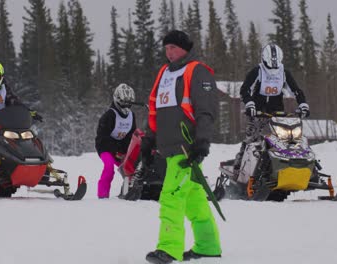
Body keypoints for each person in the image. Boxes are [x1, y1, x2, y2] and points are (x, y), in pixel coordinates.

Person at [145, 30, 221, 263]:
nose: (169, 53)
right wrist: (149, 139)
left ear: (185, 49)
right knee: (193, 200)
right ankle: (208, 245)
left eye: (174, 48)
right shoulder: (164, 73)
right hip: (169, 147)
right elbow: (154, 109)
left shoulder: (197, 71)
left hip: (186, 148)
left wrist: (202, 142)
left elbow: (206, 111)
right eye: (166, 48)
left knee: (171, 196)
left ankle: (169, 248)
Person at [232, 44, 310, 177]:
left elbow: (295, 90)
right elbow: (244, 89)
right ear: (264, 59)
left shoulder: (284, 73)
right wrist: (250, 104)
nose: (273, 67)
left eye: (275, 64)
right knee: (252, 139)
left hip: (277, 113)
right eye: (270, 64)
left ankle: (292, 167)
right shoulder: (257, 71)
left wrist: (303, 104)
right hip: (257, 112)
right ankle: (238, 168)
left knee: (288, 139)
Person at [95, 83, 136, 199]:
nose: (126, 107)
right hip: (105, 147)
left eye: (129, 103)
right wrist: (115, 151)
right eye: (124, 103)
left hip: (120, 148)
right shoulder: (109, 115)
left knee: (130, 169)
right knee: (109, 167)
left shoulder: (132, 116)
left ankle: (130, 193)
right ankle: (102, 196)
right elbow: (102, 137)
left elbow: (130, 137)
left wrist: (125, 152)